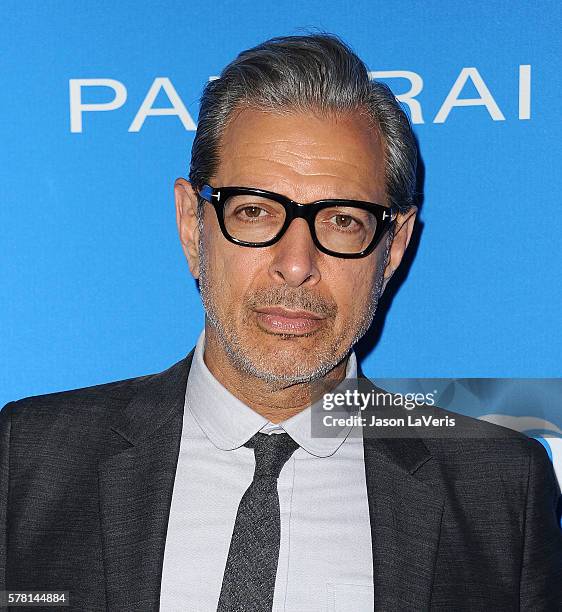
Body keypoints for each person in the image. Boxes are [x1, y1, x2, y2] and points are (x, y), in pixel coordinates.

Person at [1, 33, 560, 612]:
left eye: (343, 220)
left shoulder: (498, 488)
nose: (296, 266)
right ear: (193, 226)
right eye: (255, 211)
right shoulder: (28, 459)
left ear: (392, 249)